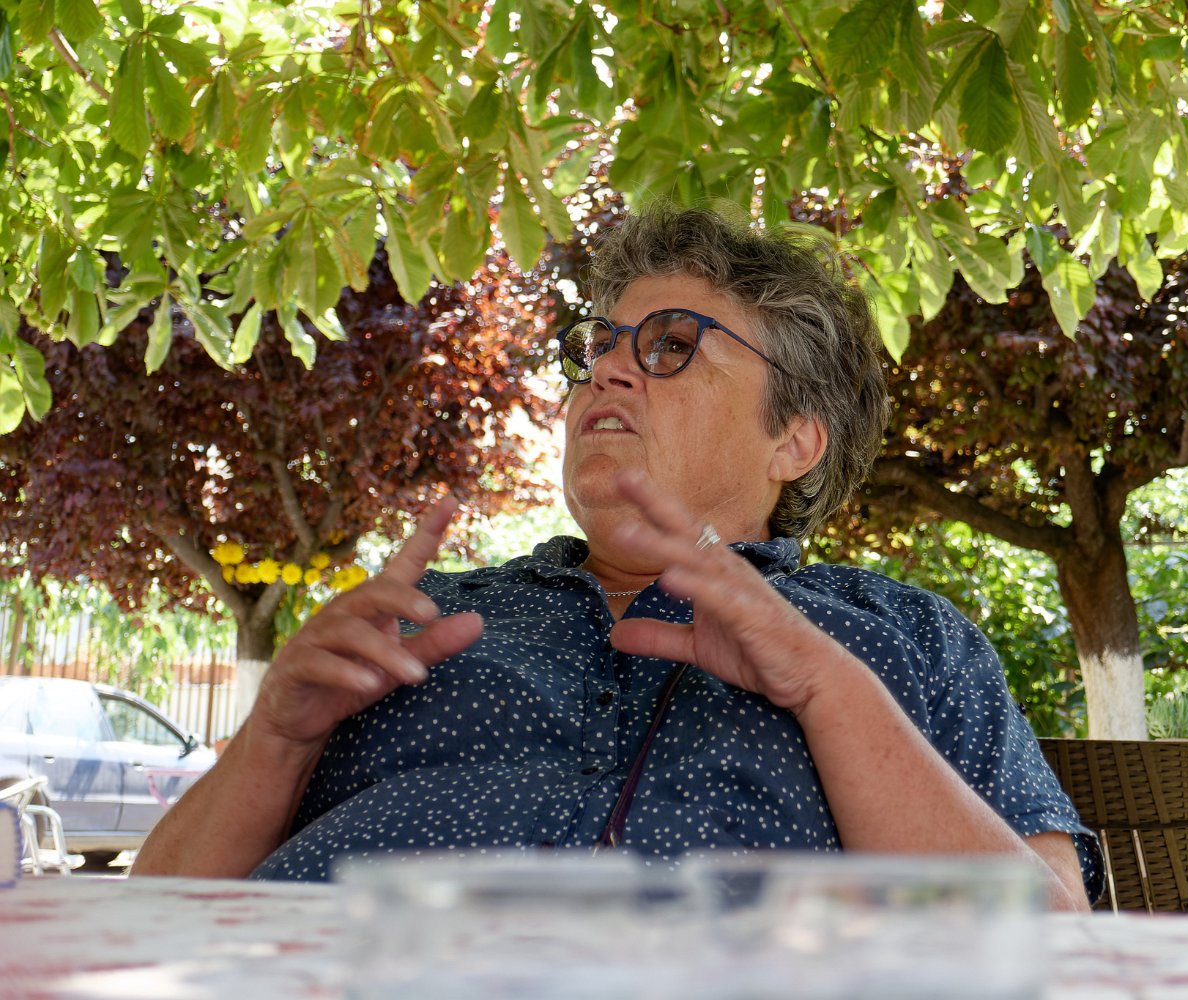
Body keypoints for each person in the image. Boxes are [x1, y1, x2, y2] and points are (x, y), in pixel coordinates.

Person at [133, 205, 1102, 910]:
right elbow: (146, 917)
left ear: (794, 440)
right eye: (598, 346)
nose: (604, 368)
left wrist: (824, 686)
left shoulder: (908, 639)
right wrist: (277, 736)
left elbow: (1049, 941)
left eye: (671, 345)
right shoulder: (415, 617)